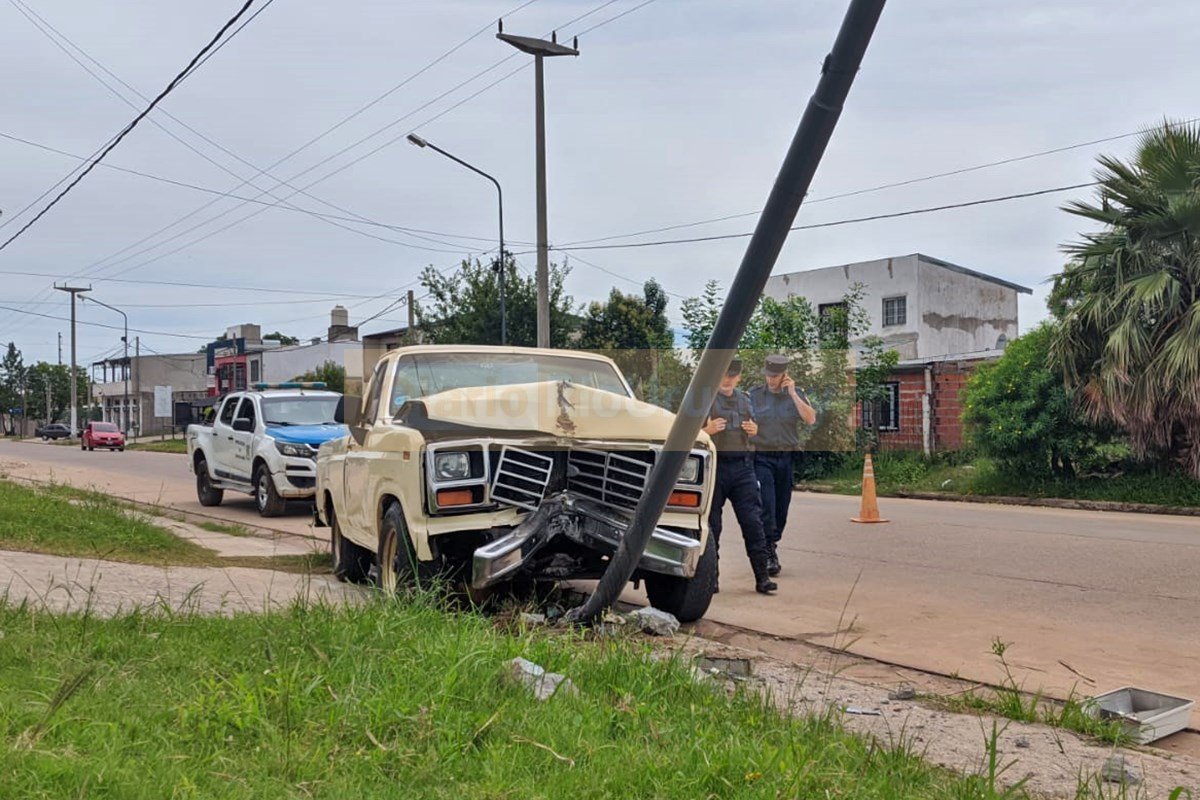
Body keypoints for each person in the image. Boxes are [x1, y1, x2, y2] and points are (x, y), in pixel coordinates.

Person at [703, 357, 778, 595]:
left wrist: (755, 431)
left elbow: (757, 432)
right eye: (724, 374)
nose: (728, 379)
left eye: (732, 375)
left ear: (738, 377)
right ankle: (710, 580)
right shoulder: (704, 401)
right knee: (713, 526)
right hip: (716, 467)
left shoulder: (746, 400)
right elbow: (685, 434)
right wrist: (706, 431)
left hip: (743, 469)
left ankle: (762, 578)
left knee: (753, 522)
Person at [749, 354, 817, 576]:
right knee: (766, 504)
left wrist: (794, 394)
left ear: (784, 375)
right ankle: (768, 551)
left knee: (781, 509)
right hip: (762, 458)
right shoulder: (755, 395)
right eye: (768, 375)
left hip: (786, 458)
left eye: (775, 376)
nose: (771, 379)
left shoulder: (795, 394)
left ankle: (772, 542)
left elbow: (810, 419)